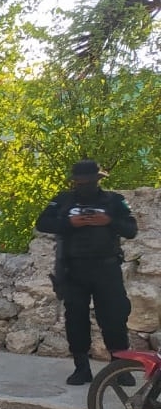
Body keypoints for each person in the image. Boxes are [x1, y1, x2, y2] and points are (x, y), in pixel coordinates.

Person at [36, 159, 137, 386]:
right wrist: (70, 222)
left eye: (88, 182)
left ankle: (119, 368)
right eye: (80, 182)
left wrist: (109, 221)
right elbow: (42, 223)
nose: (84, 186)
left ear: (97, 180)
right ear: (74, 182)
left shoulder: (114, 201)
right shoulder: (63, 201)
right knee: (76, 320)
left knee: (114, 319)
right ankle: (81, 369)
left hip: (107, 269)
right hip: (73, 270)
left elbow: (131, 230)